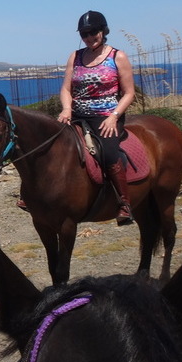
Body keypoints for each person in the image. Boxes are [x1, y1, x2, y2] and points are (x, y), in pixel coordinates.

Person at [57, 11, 137, 225]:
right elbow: (66, 88)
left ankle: (124, 203)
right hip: (77, 114)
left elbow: (129, 93)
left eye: (93, 32)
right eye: (85, 33)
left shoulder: (117, 56)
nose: (89, 37)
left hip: (106, 115)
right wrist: (66, 109)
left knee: (109, 152)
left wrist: (114, 117)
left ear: (103, 31)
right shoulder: (76, 56)